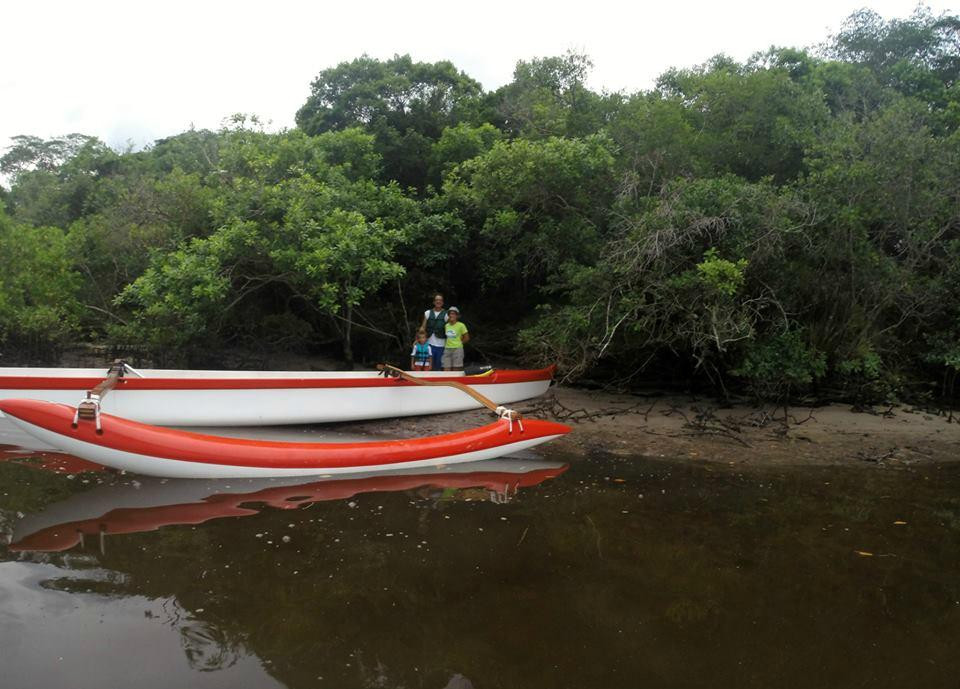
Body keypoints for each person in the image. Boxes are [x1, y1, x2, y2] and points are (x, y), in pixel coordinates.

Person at [420, 293, 447, 371]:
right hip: (429, 344)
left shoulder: (446, 314)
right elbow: (423, 327)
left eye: (440, 300)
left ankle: (437, 382)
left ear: (442, 302)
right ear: (434, 302)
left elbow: (450, 328)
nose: (438, 301)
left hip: (441, 344)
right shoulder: (427, 313)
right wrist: (417, 339)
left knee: (438, 366)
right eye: (436, 300)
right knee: (427, 365)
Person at [441, 307, 469, 371]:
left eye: (453, 314)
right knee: (446, 369)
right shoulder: (446, 325)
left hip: (457, 349)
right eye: (450, 314)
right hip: (447, 349)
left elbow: (467, 338)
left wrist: (459, 343)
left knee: (456, 369)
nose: (451, 315)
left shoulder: (461, 325)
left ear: (457, 316)